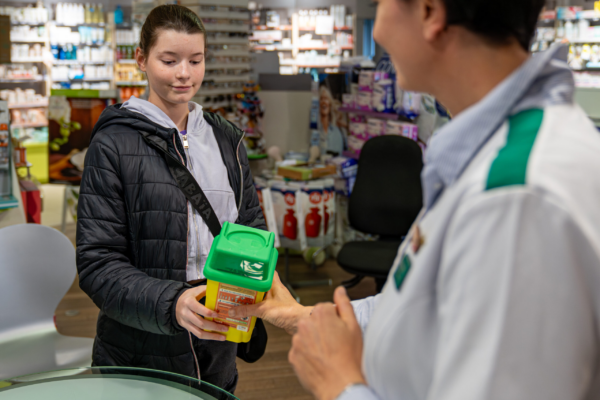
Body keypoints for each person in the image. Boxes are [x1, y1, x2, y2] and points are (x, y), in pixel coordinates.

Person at [229, 0, 600, 399]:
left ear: (429, 12)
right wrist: (308, 318)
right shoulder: (492, 154)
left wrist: (340, 385)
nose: (380, 32)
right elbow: (426, 303)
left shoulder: (517, 195)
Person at [76, 5, 265, 393]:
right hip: (140, 349)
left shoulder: (227, 140)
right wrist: (173, 304)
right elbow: (98, 263)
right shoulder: (113, 143)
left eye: (196, 60)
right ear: (142, 59)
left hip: (218, 342)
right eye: (169, 60)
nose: (184, 73)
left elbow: (251, 230)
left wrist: (258, 287)